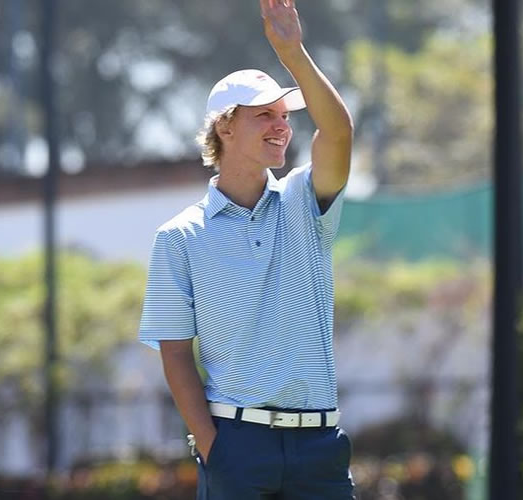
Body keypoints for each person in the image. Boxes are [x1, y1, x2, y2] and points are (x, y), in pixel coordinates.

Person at [138, 0, 354, 498]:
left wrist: (293, 53)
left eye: (285, 116)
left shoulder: (307, 200)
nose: (282, 126)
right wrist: (214, 447)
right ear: (226, 127)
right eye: (265, 116)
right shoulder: (178, 237)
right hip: (236, 446)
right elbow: (174, 354)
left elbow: (338, 132)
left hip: (320, 445)